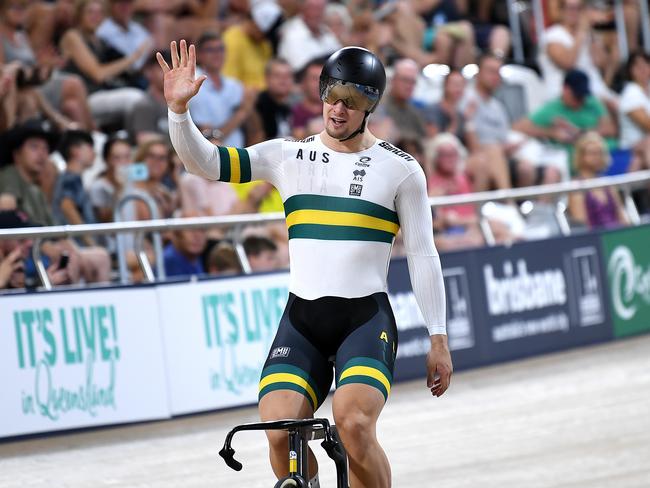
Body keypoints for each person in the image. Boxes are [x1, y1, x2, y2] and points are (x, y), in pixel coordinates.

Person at [159, 40, 452, 488]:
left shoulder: (401, 170)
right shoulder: (288, 155)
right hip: (303, 320)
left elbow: (423, 254)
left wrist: (438, 337)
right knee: (279, 432)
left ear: (370, 105)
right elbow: (206, 163)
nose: (337, 108)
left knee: (353, 426)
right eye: (331, 94)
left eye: (351, 100)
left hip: (364, 320)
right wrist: (179, 112)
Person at [568, 131, 628, 229]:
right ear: (581, 156)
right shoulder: (576, 186)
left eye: (600, 153)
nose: (597, 157)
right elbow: (582, 225)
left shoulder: (607, 183)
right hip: (596, 239)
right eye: (592, 153)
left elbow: (621, 216)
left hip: (617, 234)